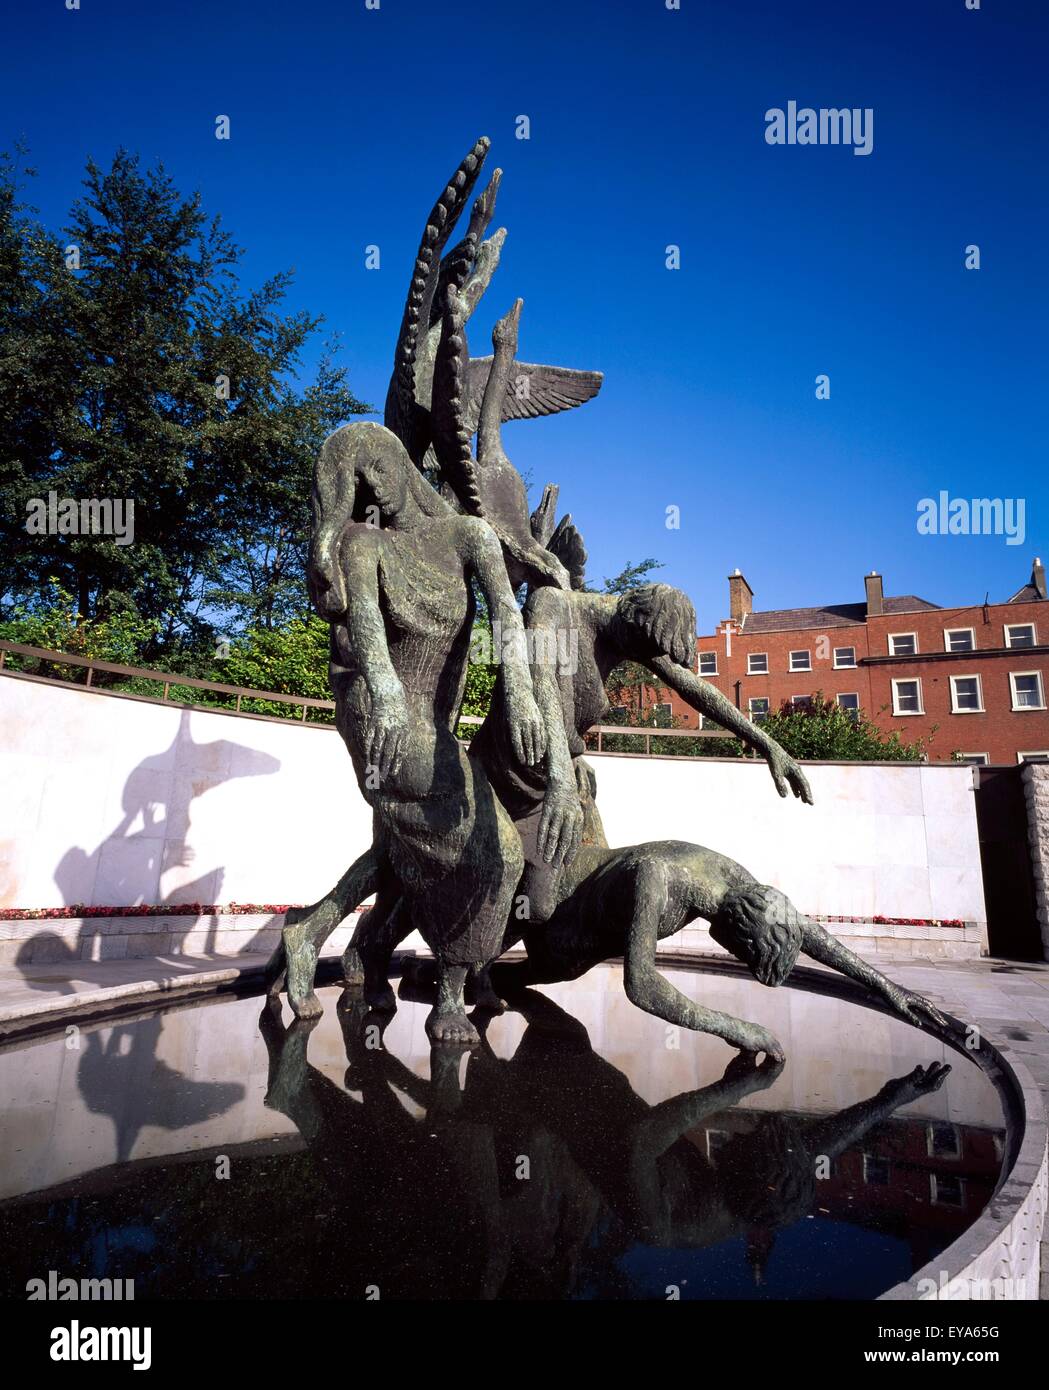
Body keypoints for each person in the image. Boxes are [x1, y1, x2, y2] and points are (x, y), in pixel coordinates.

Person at [490, 838, 950, 1058]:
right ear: (734, 938)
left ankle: (477, 976)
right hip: (560, 911)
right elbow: (641, 983)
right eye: (740, 957)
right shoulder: (659, 878)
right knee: (553, 962)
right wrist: (731, 1027)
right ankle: (466, 971)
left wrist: (887, 987)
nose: (734, 959)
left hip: (585, 927)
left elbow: (808, 933)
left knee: (550, 973)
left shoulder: (738, 886)